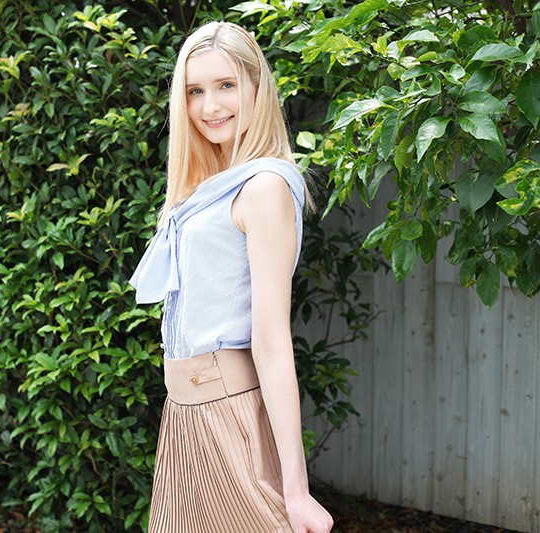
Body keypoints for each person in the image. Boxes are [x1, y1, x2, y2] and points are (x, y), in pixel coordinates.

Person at [128, 20, 334, 533]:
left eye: (226, 85)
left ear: (257, 87)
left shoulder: (263, 187)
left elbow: (271, 341)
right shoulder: (214, 185)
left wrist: (297, 491)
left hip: (227, 410)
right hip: (186, 411)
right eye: (195, 91)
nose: (210, 106)